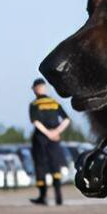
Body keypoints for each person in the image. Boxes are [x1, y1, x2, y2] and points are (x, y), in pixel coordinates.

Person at [28, 78, 69, 206]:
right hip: (54, 138)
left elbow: (35, 122)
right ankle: (58, 196)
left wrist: (48, 133)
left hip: (41, 138)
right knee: (55, 166)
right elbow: (66, 120)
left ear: (35, 89)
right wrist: (56, 132)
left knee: (41, 166)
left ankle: (43, 196)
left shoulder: (34, 104)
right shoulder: (54, 103)